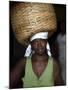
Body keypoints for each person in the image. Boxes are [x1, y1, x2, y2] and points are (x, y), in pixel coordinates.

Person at [10, 2, 63, 88]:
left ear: (46, 42)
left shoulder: (54, 64)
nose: (39, 45)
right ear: (30, 44)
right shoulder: (23, 63)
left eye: (42, 40)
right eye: (35, 41)